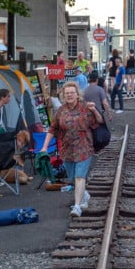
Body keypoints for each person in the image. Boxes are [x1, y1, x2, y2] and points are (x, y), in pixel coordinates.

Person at [39, 81, 104, 217]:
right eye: (66, 93)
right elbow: (52, 129)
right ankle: (84, 195)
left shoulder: (85, 108)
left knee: (80, 177)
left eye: (71, 93)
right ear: (63, 95)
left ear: (77, 94)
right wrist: (44, 147)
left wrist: (95, 110)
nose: (69, 95)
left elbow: (99, 122)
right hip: (67, 150)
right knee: (72, 178)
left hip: (84, 148)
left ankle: (77, 207)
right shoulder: (61, 111)